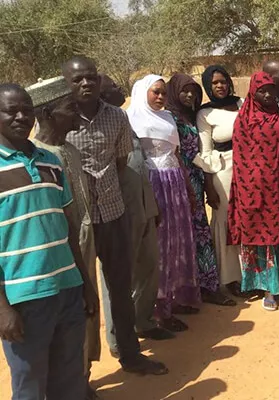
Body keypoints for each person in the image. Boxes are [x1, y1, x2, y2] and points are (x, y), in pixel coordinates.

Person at [63, 56, 167, 375]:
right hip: (75, 222)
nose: (86, 83)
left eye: (91, 77)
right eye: (78, 79)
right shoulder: (57, 121)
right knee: (82, 296)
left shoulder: (117, 118)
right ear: (66, 83)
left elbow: (121, 164)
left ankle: (130, 354)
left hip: (113, 214)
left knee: (119, 289)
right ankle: (81, 374)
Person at [0, 83, 99, 400]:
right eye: (10, 111)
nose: (20, 117)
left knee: (68, 378)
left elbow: (68, 227)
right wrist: (2, 308)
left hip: (67, 289)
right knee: (29, 384)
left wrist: (85, 283)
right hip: (23, 298)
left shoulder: (51, 162)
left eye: (26, 110)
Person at [100, 74, 175, 352]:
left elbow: (139, 167)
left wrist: (151, 206)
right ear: (100, 93)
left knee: (149, 266)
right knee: (117, 278)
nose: (120, 89)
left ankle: (143, 321)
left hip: (143, 204)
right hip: (118, 211)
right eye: (113, 87)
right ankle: (118, 339)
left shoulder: (122, 119)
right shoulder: (95, 129)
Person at [127, 75, 201, 331]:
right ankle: (156, 308)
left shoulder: (169, 118)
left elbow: (177, 155)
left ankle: (174, 297)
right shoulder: (132, 119)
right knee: (158, 245)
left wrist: (189, 191)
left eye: (163, 93)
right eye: (155, 92)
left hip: (175, 182)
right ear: (142, 92)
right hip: (152, 184)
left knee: (177, 241)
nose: (160, 97)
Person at [229, 71, 279, 312]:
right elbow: (241, 160)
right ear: (253, 92)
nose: (268, 95)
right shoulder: (243, 121)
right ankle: (269, 289)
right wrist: (247, 190)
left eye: (271, 90)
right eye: (262, 91)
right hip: (256, 189)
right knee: (263, 236)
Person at [166, 73, 235, 307]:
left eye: (194, 92)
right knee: (182, 235)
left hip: (195, 178)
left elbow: (203, 152)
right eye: (184, 91)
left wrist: (205, 181)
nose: (189, 95)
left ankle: (208, 285)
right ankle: (184, 291)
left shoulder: (190, 116)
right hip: (176, 182)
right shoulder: (168, 118)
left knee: (200, 232)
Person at [195, 65, 244, 297]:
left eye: (223, 81)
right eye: (214, 83)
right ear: (208, 86)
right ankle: (229, 277)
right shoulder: (205, 113)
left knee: (246, 219)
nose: (220, 86)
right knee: (225, 220)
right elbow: (205, 151)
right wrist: (208, 185)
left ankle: (249, 274)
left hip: (248, 168)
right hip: (222, 169)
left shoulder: (242, 103)